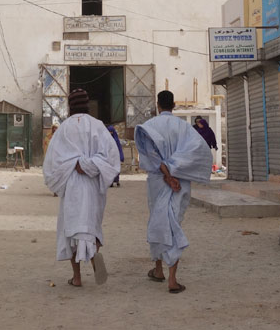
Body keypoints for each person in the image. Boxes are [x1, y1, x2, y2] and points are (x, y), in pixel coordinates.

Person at [135, 91, 213, 294]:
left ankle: (160, 270)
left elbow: (149, 154)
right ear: (174, 105)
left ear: (158, 105)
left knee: (159, 221)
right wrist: (175, 170)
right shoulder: (185, 129)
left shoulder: (150, 126)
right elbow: (198, 151)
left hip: (158, 182)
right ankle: (171, 278)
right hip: (180, 181)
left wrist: (167, 174)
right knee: (174, 223)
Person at [43, 89, 121, 288]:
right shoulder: (98, 126)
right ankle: (95, 260)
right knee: (92, 226)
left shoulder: (63, 129)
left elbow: (52, 163)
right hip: (93, 186)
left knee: (70, 230)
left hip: (72, 186)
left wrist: (76, 164)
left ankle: (76, 277)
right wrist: (89, 165)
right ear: (87, 105)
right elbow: (111, 157)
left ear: (70, 106)